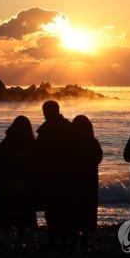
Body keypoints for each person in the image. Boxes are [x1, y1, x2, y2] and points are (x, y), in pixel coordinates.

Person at [0, 116, 37, 238]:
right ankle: (21, 233)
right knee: (23, 208)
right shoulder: (31, 143)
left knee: (7, 208)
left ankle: (6, 233)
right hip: (25, 182)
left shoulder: (8, 141)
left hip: (7, 182)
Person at [34, 100, 74, 247]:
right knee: (62, 207)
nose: (44, 115)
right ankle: (62, 236)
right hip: (65, 175)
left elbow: (37, 153)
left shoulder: (45, 130)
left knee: (52, 208)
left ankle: (54, 236)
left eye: (45, 112)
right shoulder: (69, 128)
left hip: (52, 175)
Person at [71, 115, 103, 248]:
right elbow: (98, 158)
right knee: (88, 207)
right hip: (89, 179)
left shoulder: (70, 143)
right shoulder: (93, 142)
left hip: (74, 179)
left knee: (75, 206)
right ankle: (85, 235)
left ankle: (74, 234)